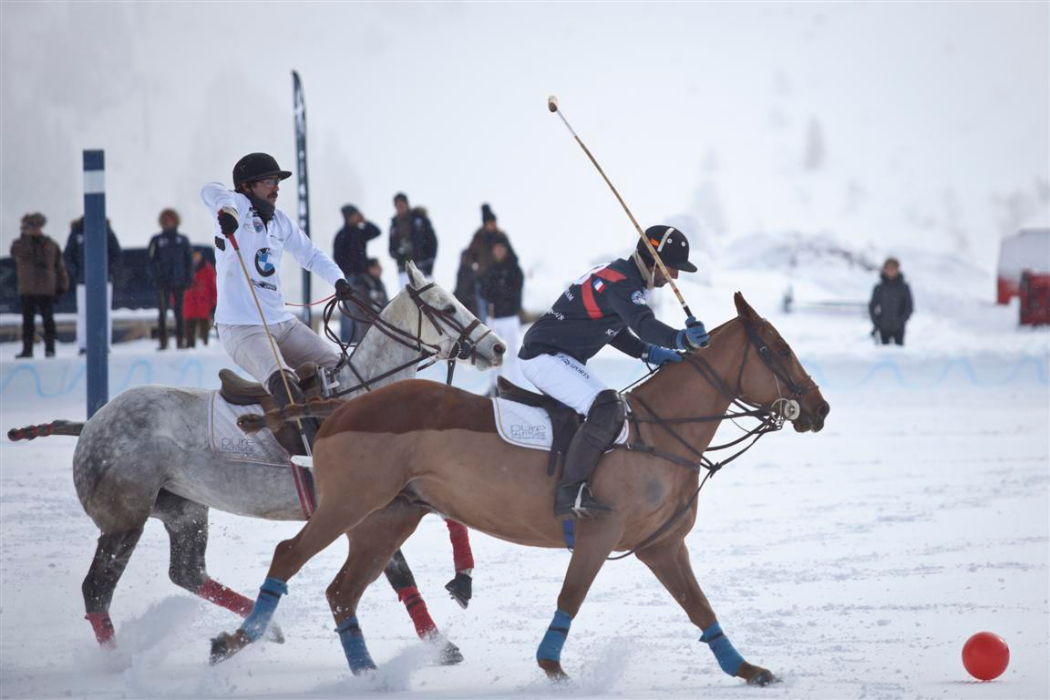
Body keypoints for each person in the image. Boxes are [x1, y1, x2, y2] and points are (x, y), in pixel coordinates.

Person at [519, 226, 708, 519]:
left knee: (609, 406)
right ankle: (571, 492)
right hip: (544, 356)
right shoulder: (623, 284)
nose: (675, 277)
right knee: (607, 407)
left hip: (558, 355)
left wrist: (647, 352)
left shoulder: (621, 276)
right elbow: (643, 325)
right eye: (671, 267)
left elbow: (612, 329)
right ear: (653, 260)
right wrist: (680, 339)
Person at [201, 152, 353, 449]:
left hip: (283, 323)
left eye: (277, 182)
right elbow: (211, 191)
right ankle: (312, 460)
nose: (276, 187)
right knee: (287, 387)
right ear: (247, 186)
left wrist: (338, 280)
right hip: (243, 328)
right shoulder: (239, 206)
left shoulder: (280, 220)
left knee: (340, 372)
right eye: (269, 181)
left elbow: (310, 254)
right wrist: (228, 214)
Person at [10, 213, 68, 359]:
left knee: (48, 321)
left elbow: (59, 266)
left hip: (46, 289)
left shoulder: (50, 244)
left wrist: (62, 285)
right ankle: (27, 350)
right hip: (28, 290)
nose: (34, 230)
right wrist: (26, 237)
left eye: (36, 226)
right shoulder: (21, 243)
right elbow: (16, 253)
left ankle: (50, 349)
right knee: (28, 322)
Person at [64, 216, 122, 355]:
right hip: (83, 281)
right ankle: (83, 344)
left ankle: (104, 344)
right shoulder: (77, 232)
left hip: (103, 281)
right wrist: (77, 274)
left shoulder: (106, 231)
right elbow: (68, 255)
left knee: (104, 312)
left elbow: (117, 254)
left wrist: (109, 272)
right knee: (83, 313)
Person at [454, 203, 515, 319]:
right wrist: (471, 262)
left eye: (493, 222)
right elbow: (470, 255)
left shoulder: (501, 236)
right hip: (483, 278)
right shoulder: (478, 237)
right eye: (489, 223)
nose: (492, 225)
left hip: (497, 276)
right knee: (482, 307)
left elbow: (511, 257)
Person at [479, 239, 525, 394]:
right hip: (494, 318)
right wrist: (496, 292)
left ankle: (516, 388)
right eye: (496, 249)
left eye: (501, 249)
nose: (498, 252)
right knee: (494, 355)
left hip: (510, 317)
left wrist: (500, 291)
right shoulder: (490, 269)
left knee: (513, 354)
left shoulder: (514, 268)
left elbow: (515, 290)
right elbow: (484, 291)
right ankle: (494, 386)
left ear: (505, 250)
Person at [332, 204, 381, 341]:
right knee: (351, 311)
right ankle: (349, 340)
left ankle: (362, 339)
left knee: (364, 311)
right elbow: (338, 257)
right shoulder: (342, 235)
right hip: (350, 278)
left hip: (362, 278)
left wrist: (364, 221)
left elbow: (376, 231)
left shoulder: (360, 232)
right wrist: (348, 271)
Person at [147, 208, 194, 350]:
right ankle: (163, 341)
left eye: (171, 219)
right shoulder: (157, 240)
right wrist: (156, 278)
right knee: (162, 312)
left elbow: (189, 261)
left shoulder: (182, 240)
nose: (168, 222)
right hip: (162, 283)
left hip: (179, 282)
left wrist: (188, 278)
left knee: (179, 312)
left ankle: (181, 341)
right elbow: (150, 261)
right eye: (166, 220)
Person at [389, 192, 437, 289]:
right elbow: (391, 248)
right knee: (408, 298)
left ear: (407, 204)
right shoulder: (394, 225)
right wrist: (399, 253)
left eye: (401, 204)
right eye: (397, 205)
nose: (400, 207)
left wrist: (428, 261)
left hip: (422, 265)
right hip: (404, 268)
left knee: (427, 295)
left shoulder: (419, 220)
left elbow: (432, 241)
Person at [869, 257, 914, 346]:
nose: (891, 271)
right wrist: (877, 322)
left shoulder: (904, 287)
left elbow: (909, 306)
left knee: (899, 353)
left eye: (893, 268)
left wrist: (901, 320)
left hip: (899, 327)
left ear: (898, 269)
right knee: (884, 353)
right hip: (883, 326)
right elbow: (872, 306)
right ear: (885, 269)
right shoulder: (879, 288)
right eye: (888, 268)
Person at [346, 258, 390, 344]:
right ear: (370, 269)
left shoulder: (379, 284)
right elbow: (357, 310)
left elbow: (386, 303)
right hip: (365, 325)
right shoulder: (360, 284)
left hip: (379, 322)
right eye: (378, 267)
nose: (381, 269)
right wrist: (371, 318)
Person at [183, 249, 217, 348]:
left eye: (197, 255)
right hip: (189, 304)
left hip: (203, 303)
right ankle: (189, 346)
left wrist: (214, 302)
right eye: (194, 255)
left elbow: (213, 287)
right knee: (189, 328)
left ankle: (205, 345)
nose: (196, 257)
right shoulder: (186, 268)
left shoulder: (208, 269)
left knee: (204, 328)